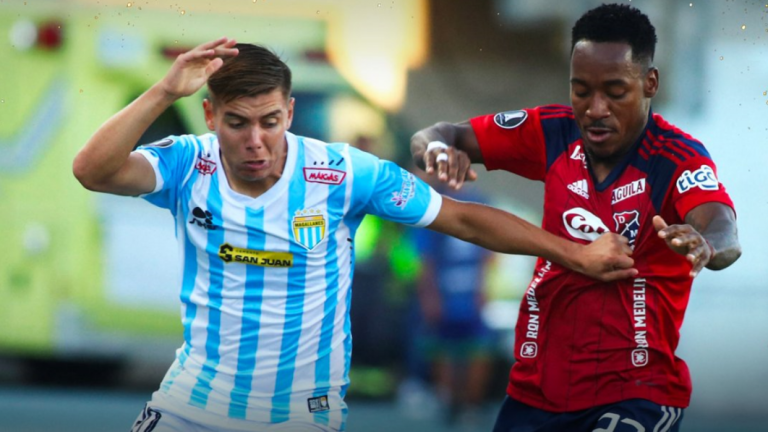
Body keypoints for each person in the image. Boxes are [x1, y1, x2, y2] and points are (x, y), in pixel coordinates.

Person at [73, 38, 636, 432]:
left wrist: (574, 254)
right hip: (190, 404)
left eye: (269, 121)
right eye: (237, 122)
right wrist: (163, 90)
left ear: (290, 112)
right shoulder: (186, 164)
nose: (255, 141)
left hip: (298, 414)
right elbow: (91, 171)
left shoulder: (343, 172)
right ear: (210, 116)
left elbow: (461, 217)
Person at [411, 4, 741, 432]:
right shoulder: (552, 132)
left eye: (615, 91)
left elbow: (722, 226)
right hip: (536, 391)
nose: (595, 108)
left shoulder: (675, 158)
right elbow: (438, 134)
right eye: (581, 90)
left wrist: (706, 244)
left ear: (650, 83)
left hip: (636, 393)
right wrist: (437, 149)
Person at [410, 183, 495, 427]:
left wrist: (484, 288)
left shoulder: (481, 202)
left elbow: (490, 253)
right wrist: (429, 295)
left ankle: (471, 404)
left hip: (471, 293)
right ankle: (448, 402)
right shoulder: (431, 204)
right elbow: (425, 259)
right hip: (444, 294)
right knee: (443, 349)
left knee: (478, 349)